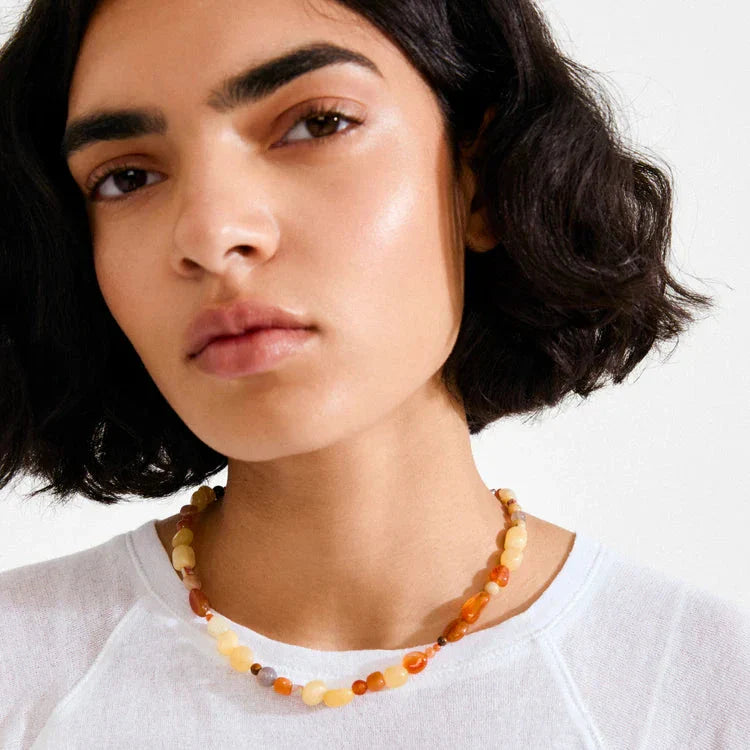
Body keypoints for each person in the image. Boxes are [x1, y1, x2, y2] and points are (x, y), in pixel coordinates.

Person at [0, 0, 747, 747]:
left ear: (478, 179)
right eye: (127, 177)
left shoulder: (703, 691)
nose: (210, 234)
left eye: (316, 124)